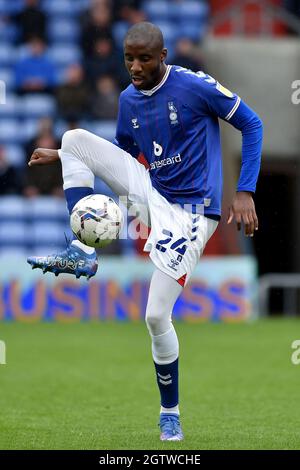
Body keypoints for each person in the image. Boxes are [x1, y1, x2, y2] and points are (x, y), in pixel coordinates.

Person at [27, 22, 263, 441]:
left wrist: (244, 190)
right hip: (152, 192)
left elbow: (252, 124)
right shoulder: (127, 100)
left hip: (192, 213)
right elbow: (123, 155)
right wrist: (64, 155)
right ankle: (82, 249)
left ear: (163, 56)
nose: (135, 67)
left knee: (155, 315)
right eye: (129, 59)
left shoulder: (195, 87)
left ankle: (169, 412)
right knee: (76, 137)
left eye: (144, 59)